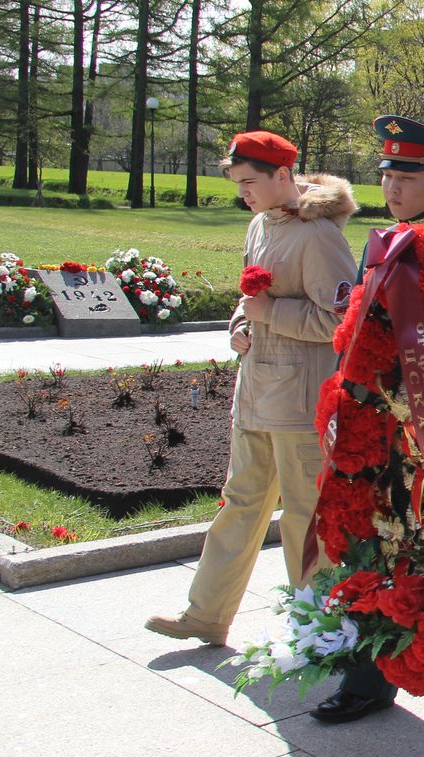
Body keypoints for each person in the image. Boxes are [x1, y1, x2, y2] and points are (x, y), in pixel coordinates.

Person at [301, 115, 424, 724]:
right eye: (388, 173)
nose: (394, 186)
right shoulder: (381, 242)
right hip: (381, 430)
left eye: (409, 175)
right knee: (374, 542)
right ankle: (370, 673)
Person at [144, 131, 355, 648]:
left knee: (306, 517)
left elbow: (343, 319)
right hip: (256, 392)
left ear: (282, 175)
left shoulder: (319, 234)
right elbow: (250, 291)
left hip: (301, 401)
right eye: (237, 184)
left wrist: (269, 314)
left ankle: (318, 628)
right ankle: (207, 615)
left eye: (249, 182)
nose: (243, 193)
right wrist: (239, 322)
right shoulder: (260, 223)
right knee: (239, 503)